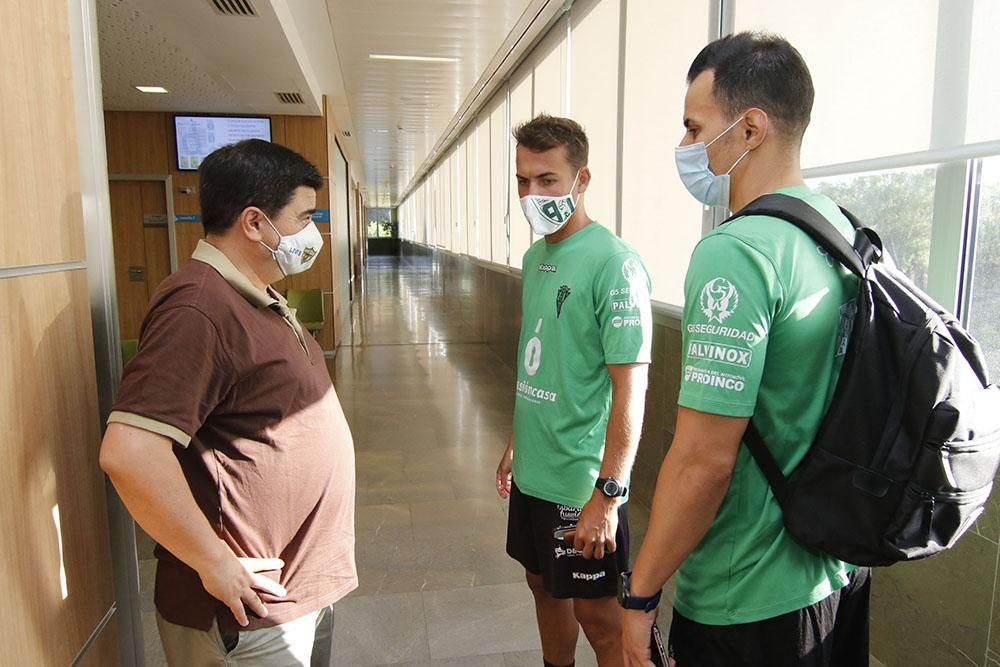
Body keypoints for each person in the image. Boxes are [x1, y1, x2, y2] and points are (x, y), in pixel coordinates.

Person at [620, 32, 871, 667]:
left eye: (693, 126)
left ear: (751, 128)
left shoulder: (737, 253)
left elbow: (703, 460)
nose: (685, 146)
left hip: (747, 598)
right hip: (838, 576)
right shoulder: (843, 233)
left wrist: (640, 595)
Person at [100, 139, 357, 666]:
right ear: (256, 223)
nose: (314, 234)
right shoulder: (198, 308)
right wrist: (215, 563)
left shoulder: (250, 293)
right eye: (304, 217)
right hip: (243, 613)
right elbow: (130, 453)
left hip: (293, 593)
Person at [496, 114, 653, 667]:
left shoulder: (615, 264)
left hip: (581, 483)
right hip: (533, 474)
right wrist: (516, 444)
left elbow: (630, 391)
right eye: (523, 180)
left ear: (582, 179)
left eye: (548, 180)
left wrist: (607, 496)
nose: (532, 193)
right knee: (542, 587)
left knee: (599, 619)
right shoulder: (536, 258)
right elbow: (540, 364)